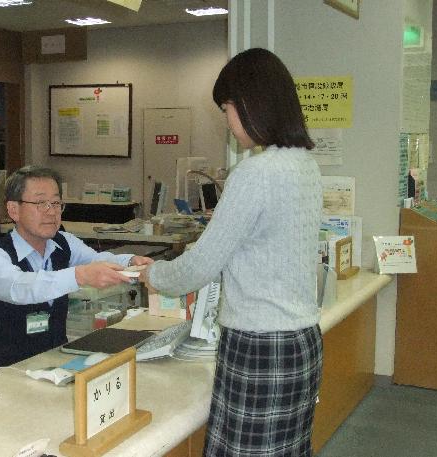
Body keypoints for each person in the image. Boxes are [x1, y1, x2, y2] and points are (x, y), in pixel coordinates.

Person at [140, 48, 323, 456]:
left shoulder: (255, 174)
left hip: (259, 345)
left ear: (250, 104)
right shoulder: (305, 166)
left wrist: (151, 274)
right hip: (301, 341)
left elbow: (201, 266)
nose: (226, 120)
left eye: (226, 108)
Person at [0, 165, 153, 375]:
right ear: (14, 210)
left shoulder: (63, 242)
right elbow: (21, 287)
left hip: (54, 361)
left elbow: (96, 259)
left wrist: (131, 261)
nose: (51, 211)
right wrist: (80, 275)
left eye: (56, 203)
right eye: (41, 203)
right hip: (5, 371)